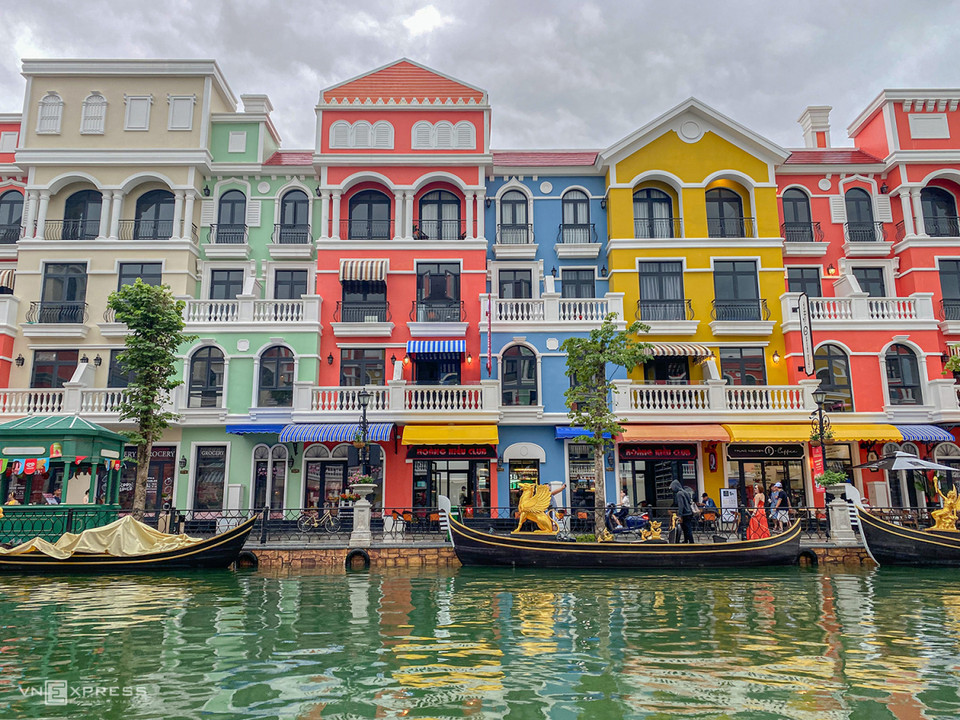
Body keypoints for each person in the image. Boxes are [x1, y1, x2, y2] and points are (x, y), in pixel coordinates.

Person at [670, 479, 695, 544]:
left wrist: (680, 515)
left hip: (685, 513)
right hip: (689, 512)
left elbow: (681, 505)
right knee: (687, 528)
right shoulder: (685, 492)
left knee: (686, 528)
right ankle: (686, 540)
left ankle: (691, 542)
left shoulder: (679, 494)